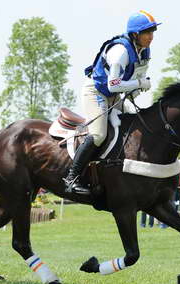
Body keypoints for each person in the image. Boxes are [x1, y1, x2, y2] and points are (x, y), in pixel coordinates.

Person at [63, 10, 160, 195]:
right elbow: (113, 84)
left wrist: (138, 89)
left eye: (152, 32)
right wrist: (140, 83)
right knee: (99, 134)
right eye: (147, 32)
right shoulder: (120, 51)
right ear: (135, 34)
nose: (151, 37)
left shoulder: (144, 51)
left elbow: (136, 78)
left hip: (115, 96)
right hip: (97, 92)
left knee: (137, 122)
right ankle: (71, 178)